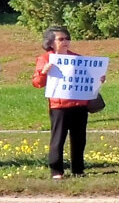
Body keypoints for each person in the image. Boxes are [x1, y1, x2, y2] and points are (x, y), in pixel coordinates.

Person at [32, 26, 105, 179]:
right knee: (58, 139)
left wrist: (99, 79)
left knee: (79, 139)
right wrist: (44, 72)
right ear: (51, 42)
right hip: (59, 106)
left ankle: (78, 170)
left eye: (67, 38)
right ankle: (56, 171)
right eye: (61, 39)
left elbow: (88, 79)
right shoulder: (45, 59)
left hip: (79, 105)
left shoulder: (77, 58)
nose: (65, 42)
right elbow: (37, 83)